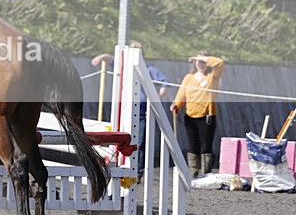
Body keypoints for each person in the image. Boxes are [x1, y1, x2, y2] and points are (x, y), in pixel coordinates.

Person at [91, 42, 168, 180]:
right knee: (121, 139)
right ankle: (120, 166)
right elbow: (110, 59)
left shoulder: (149, 70)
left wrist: (155, 98)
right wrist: (101, 57)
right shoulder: (124, 68)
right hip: (124, 109)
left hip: (142, 109)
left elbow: (164, 83)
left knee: (138, 143)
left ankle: (137, 172)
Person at [170, 51, 225, 178]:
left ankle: (206, 173)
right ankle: (193, 172)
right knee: (193, 145)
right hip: (190, 115)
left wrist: (203, 57)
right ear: (195, 62)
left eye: (203, 61)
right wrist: (177, 105)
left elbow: (220, 63)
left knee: (206, 145)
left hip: (207, 116)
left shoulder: (212, 77)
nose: (201, 63)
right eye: (198, 61)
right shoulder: (188, 78)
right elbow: (181, 94)